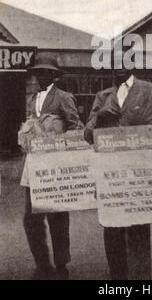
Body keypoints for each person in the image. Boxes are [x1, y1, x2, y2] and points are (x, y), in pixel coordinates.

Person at [84, 48, 152, 280]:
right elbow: (87, 134)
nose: (119, 65)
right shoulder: (103, 95)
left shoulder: (148, 90)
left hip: (136, 172)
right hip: (110, 174)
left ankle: (141, 279)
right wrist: (100, 116)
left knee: (138, 228)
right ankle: (117, 278)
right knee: (112, 229)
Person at [21, 53, 84, 280]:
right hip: (34, 165)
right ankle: (42, 263)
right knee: (31, 218)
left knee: (57, 217)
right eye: (39, 71)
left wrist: (58, 141)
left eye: (46, 72)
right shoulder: (32, 99)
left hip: (56, 164)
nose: (41, 76)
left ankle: (61, 264)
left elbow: (76, 127)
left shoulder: (64, 97)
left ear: (54, 75)